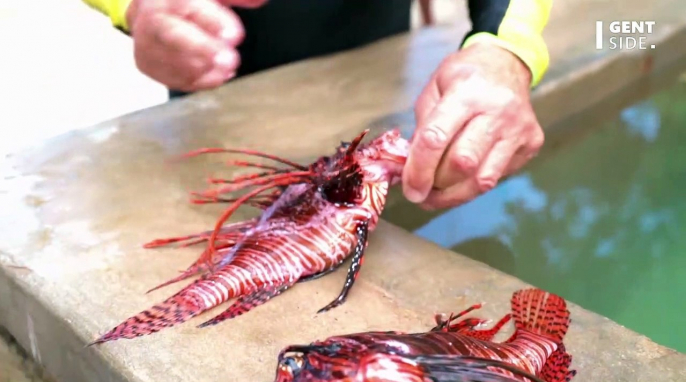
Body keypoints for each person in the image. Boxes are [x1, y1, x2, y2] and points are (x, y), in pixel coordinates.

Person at [83, 0, 551, 211]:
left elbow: (507, 30)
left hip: (374, 71)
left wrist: (505, 48)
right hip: (211, 87)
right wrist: (133, 6)